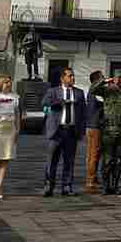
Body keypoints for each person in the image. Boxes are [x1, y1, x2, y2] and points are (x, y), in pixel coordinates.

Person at [89, 69, 121, 195]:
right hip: (108, 131)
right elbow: (92, 90)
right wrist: (104, 81)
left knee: (119, 161)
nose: (120, 80)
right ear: (113, 78)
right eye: (117, 77)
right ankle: (106, 186)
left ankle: (115, 186)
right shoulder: (107, 91)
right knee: (107, 160)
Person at [42, 67, 87, 197]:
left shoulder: (79, 93)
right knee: (51, 161)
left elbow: (83, 112)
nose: (72, 78)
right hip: (56, 131)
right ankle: (49, 186)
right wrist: (61, 102)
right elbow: (44, 102)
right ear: (62, 78)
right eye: (70, 76)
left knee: (69, 161)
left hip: (71, 131)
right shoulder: (53, 91)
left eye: (73, 76)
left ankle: (67, 187)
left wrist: (81, 131)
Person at [84, 70, 104, 194]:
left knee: (95, 154)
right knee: (93, 155)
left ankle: (93, 178)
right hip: (94, 126)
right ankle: (90, 181)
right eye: (102, 77)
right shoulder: (94, 90)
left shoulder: (94, 91)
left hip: (95, 125)